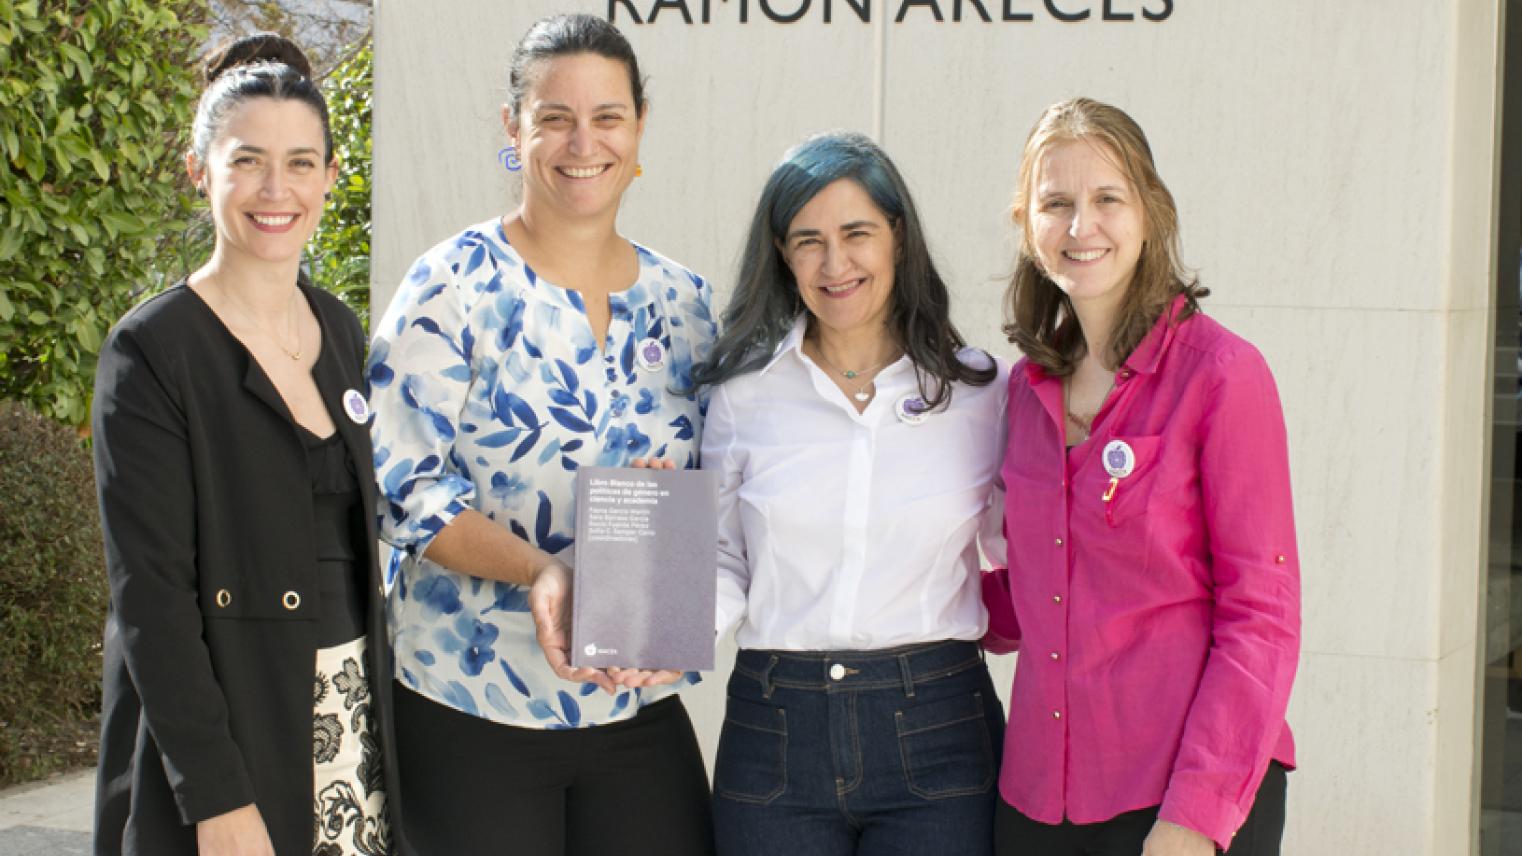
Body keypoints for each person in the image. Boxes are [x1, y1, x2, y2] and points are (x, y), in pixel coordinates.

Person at [365, 13, 716, 856]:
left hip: (635, 704)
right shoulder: (451, 284)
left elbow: (713, 488)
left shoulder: (687, 303)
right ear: (513, 129)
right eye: (554, 116)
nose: (580, 142)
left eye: (607, 117)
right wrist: (542, 570)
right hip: (468, 701)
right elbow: (399, 485)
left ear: (637, 133)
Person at [91, 33, 399, 856]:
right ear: (202, 173)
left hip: (347, 716)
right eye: (248, 161)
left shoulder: (337, 326)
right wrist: (217, 799)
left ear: (331, 177)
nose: (277, 189)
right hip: (227, 726)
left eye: (301, 163)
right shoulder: (152, 349)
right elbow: (151, 598)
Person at [983, 97, 1300, 856]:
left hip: (1178, 803)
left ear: (1150, 212)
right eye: (1055, 203)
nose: (1079, 226)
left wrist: (1194, 817)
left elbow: (1263, 615)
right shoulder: (1024, 393)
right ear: (1027, 225)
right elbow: (1025, 596)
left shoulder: (1223, 376)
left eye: (1106, 199)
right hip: (1033, 805)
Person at [691, 131, 1008, 856]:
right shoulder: (744, 395)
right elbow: (721, 557)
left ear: (898, 236)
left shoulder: (980, 393)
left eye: (856, 233)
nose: (835, 264)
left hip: (940, 726)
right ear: (781, 252)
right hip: (774, 731)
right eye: (808, 240)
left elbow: (1022, 540)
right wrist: (653, 632)